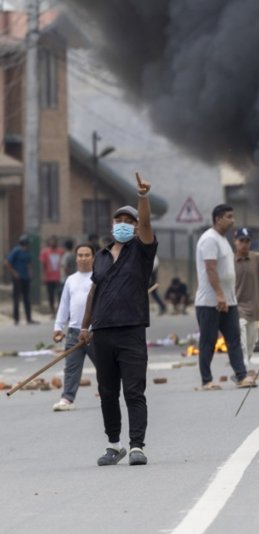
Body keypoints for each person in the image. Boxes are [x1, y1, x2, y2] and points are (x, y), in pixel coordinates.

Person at [79, 172, 157, 466]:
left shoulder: (141, 250)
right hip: (102, 334)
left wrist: (143, 197)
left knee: (134, 391)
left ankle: (137, 446)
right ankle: (114, 445)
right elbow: (93, 293)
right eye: (118, 221)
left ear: (136, 227)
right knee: (108, 393)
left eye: (129, 221)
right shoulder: (100, 256)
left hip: (132, 331)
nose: (122, 225)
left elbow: (148, 223)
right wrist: (85, 327)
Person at [194, 204, 255, 390]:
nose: (233, 220)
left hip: (229, 300)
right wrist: (220, 296)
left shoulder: (222, 239)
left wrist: (227, 297)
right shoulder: (209, 239)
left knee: (234, 339)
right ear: (218, 219)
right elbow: (210, 268)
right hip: (210, 302)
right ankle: (206, 380)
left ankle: (241, 376)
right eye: (229, 216)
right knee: (208, 341)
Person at [52, 243, 97, 411]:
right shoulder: (71, 280)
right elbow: (64, 305)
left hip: (95, 332)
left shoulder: (99, 278)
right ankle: (67, 398)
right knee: (71, 367)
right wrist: (58, 326)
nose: (83, 258)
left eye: (87, 255)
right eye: (80, 255)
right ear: (76, 258)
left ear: (93, 257)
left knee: (104, 366)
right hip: (73, 333)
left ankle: (107, 392)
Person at [233, 227, 259, 365]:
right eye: (241, 240)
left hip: (254, 309)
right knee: (241, 344)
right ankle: (244, 373)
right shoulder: (229, 261)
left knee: (250, 344)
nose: (244, 244)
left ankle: (244, 368)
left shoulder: (257, 259)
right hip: (237, 309)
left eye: (247, 241)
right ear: (235, 241)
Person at [4, 235, 37, 325]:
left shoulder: (27, 252)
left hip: (25, 278)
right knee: (16, 298)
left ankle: (29, 319)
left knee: (27, 298)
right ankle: (16, 319)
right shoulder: (16, 251)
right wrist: (14, 273)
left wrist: (30, 273)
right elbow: (7, 262)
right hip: (18, 279)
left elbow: (29, 263)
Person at [40, 235, 64, 316]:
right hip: (49, 277)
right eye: (51, 241)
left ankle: (60, 311)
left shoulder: (61, 251)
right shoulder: (45, 252)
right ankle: (52, 311)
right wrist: (43, 276)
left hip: (59, 277)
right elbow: (43, 265)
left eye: (54, 241)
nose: (53, 243)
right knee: (50, 295)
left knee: (60, 294)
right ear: (49, 242)